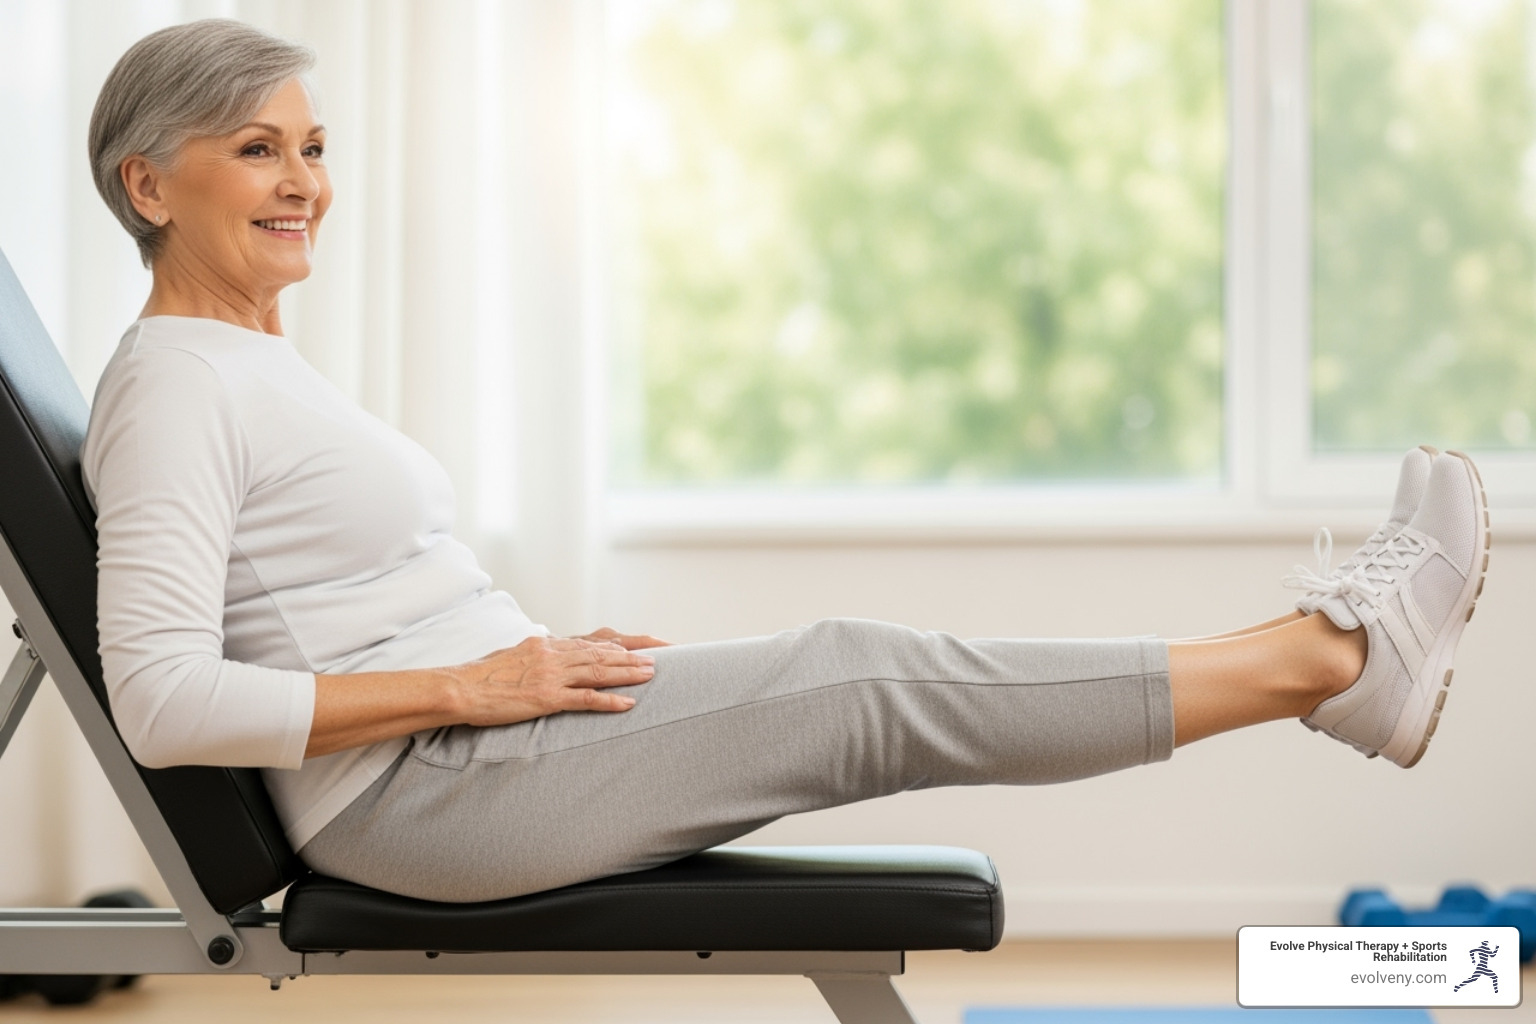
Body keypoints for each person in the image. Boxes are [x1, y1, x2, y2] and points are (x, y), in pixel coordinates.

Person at [80, 19, 1491, 904]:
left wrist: (508, 669)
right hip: (425, 796)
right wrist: (475, 683)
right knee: (853, 676)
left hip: (473, 751)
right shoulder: (171, 387)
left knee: (850, 671)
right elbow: (159, 700)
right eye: (256, 150)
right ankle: (1330, 661)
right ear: (150, 184)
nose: (304, 181)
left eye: (314, 147)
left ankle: (1333, 660)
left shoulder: (249, 359)